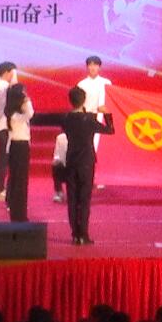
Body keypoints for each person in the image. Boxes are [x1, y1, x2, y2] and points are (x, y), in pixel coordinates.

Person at [60, 86, 114, 244]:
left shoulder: (66, 118)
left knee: (72, 198)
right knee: (84, 199)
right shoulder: (89, 119)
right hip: (86, 162)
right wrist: (107, 114)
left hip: (71, 161)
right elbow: (110, 130)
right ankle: (83, 234)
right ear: (83, 101)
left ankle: (75, 234)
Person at [5, 84, 34, 222]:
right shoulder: (15, 116)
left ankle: (18, 211)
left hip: (19, 147)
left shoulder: (14, 114)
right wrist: (27, 101)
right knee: (19, 181)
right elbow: (30, 114)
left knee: (19, 180)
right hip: (19, 147)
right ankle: (18, 213)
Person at [0, 62, 18, 201]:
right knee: (3, 159)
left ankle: (2, 188)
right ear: (7, 72)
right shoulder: (3, 86)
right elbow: (14, 97)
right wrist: (14, 82)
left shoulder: (3, 86)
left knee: (5, 159)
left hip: (5, 125)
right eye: (13, 72)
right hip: (3, 126)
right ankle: (0, 189)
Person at [52, 133, 68, 203]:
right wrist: (57, 160)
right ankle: (58, 192)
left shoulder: (80, 135)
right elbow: (57, 154)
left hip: (77, 163)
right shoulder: (61, 137)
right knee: (56, 166)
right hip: (64, 163)